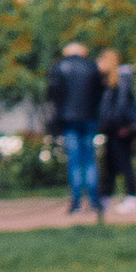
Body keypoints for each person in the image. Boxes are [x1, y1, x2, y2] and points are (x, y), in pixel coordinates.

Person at [49, 36, 103, 222]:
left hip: (68, 118)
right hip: (88, 117)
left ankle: (76, 201)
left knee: (74, 160)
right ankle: (95, 201)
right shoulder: (91, 66)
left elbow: (53, 93)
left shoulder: (59, 67)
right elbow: (99, 93)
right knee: (89, 158)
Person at [96, 47, 136, 216]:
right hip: (113, 128)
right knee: (109, 163)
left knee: (124, 162)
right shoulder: (110, 81)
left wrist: (118, 124)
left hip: (120, 129)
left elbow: (121, 107)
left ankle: (131, 197)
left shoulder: (121, 80)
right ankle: (106, 196)